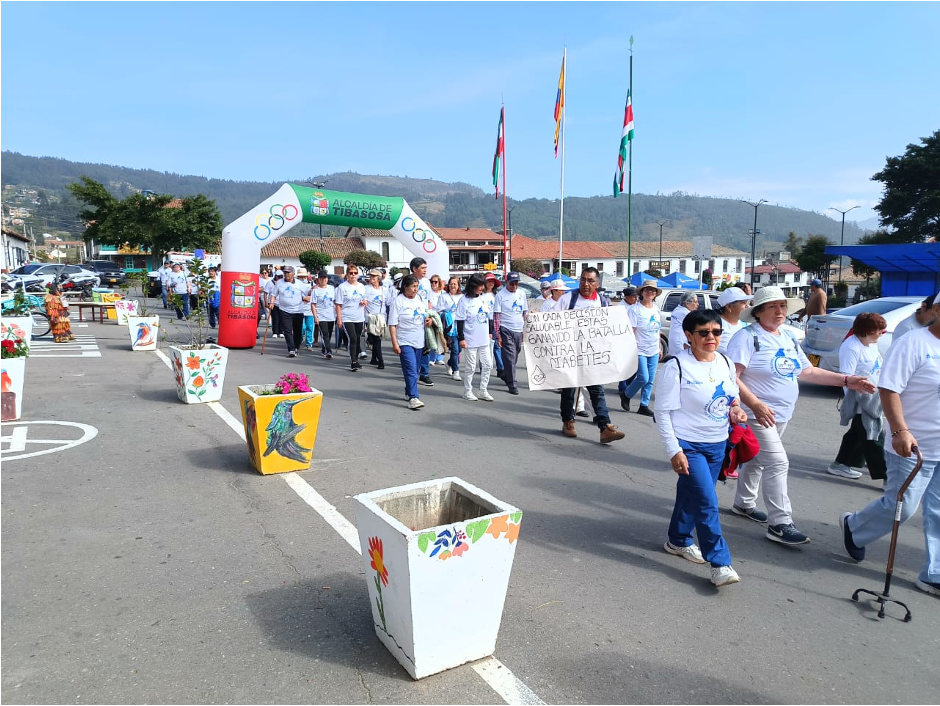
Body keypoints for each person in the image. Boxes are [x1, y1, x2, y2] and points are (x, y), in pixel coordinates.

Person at [726, 286, 876, 546]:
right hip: (754, 414)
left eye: (782, 306)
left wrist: (847, 380)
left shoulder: (786, 337)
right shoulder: (747, 338)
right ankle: (780, 523)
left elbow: (807, 373)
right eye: (772, 307)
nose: (779, 311)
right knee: (778, 462)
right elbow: (731, 377)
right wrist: (754, 403)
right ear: (759, 312)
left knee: (759, 460)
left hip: (780, 414)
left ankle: (744, 503)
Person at [839, 291, 939, 596]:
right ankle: (854, 527)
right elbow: (889, 388)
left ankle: (934, 572)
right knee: (903, 507)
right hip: (913, 444)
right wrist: (899, 431)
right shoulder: (914, 343)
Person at [654, 309, 748, 587]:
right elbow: (662, 413)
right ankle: (720, 563)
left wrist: (736, 411)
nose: (711, 337)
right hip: (688, 444)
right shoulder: (676, 366)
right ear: (688, 335)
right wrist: (675, 450)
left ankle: (677, 540)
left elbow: (732, 397)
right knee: (707, 503)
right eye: (703, 332)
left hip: (718, 443)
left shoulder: (725, 362)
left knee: (691, 495)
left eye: (716, 332)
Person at [552, 267, 626, 444]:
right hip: (570, 351)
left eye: (590, 281)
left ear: (597, 284)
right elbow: (551, 320)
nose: (586, 284)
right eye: (583, 279)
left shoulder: (603, 302)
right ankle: (568, 421)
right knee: (569, 389)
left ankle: (604, 427)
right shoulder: (568, 299)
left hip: (593, 354)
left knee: (597, 390)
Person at [828, 312, 888, 480]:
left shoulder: (871, 344)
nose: (881, 333)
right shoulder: (851, 347)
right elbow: (847, 376)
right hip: (862, 398)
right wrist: (853, 403)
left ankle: (841, 464)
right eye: (878, 330)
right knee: (873, 434)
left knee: (857, 433)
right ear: (866, 331)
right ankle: (887, 476)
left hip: (874, 396)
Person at [388, 274, 432, 410]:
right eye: (413, 287)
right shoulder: (398, 301)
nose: (415, 289)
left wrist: (429, 320)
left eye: (417, 286)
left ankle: (408, 391)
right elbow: (392, 324)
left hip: (419, 340)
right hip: (404, 341)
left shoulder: (419, 299)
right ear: (405, 287)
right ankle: (414, 397)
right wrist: (395, 343)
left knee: (416, 369)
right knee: (411, 368)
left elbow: (425, 314)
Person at [620, 279, 662, 416]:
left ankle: (644, 405)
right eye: (647, 290)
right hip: (640, 349)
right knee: (643, 377)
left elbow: (658, 330)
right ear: (642, 292)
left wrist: (660, 346)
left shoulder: (656, 309)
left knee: (650, 380)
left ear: (655, 294)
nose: (650, 292)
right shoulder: (635, 309)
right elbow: (631, 330)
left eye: (653, 290)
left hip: (654, 349)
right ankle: (627, 394)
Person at [456, 273, 495, 402]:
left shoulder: (484, 298)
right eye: (479, 285)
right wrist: (461, 338)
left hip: (484, 338)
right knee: (471, 367)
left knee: (488, 364)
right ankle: (467, 391)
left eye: (482, 285)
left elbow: (489, 316)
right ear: (472, 286)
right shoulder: (464, 300)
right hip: (470, 338)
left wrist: (490, 331)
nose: (481, 288)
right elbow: (460, 321)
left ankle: (483, 390)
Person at [495, 272, 528, 395]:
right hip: (506, 328)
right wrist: (498, 335)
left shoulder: (522, 294)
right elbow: (497, 316)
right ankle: (512, 384)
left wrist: (526, 326)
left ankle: (507, 373)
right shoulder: (500, 295)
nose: (514, 286)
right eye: (511, 283)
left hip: (518, 329)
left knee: (515, 355)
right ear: (506, 283)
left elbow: (524, 312)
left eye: (516, 283)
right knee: (510, 357)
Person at [268, 265, 310, 358]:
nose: (286, 274)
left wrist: (313, 290)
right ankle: (291, 349)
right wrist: (271, 302)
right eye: (285, 272)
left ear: (293, 274)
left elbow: (308, 293)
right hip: (284, 310)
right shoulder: (279, 283)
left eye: (288, 272)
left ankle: (296, 345)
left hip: (298, 310)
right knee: (287, 330)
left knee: (298, 332)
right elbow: (274, 294)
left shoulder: (299, 283)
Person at [334, 265, 367, 372]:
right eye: (351, 273)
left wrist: (364, 302)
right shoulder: (342, 287)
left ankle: (356, 359)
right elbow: (338, 304)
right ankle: (353, 361)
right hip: (347, 317)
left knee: (357, 339)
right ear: (347, 275)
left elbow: (364, 299)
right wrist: (339, 319)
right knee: (352, 338)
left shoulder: (361, 286)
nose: (353, 275)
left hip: (359, 317)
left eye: (355, 273)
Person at [409, 257, 435, 386]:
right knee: (414, 348)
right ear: (414, 269)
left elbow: (428, 301)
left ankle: (424, 374)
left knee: (426, 347)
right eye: (422, 268)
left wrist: (431, 316)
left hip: (424, 319)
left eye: (426, 268)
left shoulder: (426, 283)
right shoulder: (407, 282)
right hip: (411, 320)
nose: (425, 270)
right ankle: (413, 372)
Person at [437, 275, 463, 380]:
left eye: (455, 284)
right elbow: (439, 311)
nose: (453, 286)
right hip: (450, 327)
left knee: (460, 349)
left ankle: (449, 363)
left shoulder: (463, 297)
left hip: (461, 326)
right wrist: (446, 314)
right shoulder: (444, 296)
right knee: (455, 350)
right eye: (451, 284)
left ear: (458, 285)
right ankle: (456, 371)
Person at [716, 287, 753, 355]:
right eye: (743, 303)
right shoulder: (716, 325)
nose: (747, 306)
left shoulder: (746, 323)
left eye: (747, 302)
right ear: (729, 307)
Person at [364, 269, 386, 369]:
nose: (372, 278)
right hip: (370, 318)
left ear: (379, 278)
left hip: (380, 317)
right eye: (371, 276)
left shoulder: (383, 289)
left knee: (377, 339)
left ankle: (374, 359)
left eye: (374, 276)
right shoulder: (366, 288)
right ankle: (381, 361)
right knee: (376, 340)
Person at [310, 270, 336, 359]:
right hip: (321, 315)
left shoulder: (332, 288)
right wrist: (315, 317)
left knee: (328, 334)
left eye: (324, 278)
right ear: (318, 279)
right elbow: (313, 304)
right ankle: (329, 351)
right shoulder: (315, 290)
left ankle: (324, 349)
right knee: (324, 333)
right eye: (321, 278)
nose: (323, 280)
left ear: (327, 279)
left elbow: (335, 302)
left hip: (331, 315)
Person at [484, 273, 505, 379]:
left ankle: (500, 368)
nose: (490, 283)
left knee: (497, 346)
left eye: (492, 281)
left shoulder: (497, 296)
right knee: (484, 346)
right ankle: (484, 364)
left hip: (495, 322)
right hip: (484, 322)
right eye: (488, 281)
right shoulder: (480, 295)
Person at [667, 292, 698, 357]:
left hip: (676, 340)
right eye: (695, 302)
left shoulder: (677, 309)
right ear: (687, 303)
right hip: (680, 342)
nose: (697, 304)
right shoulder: (685, 313)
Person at [427, 275, 446, 366]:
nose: (433, 284)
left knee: (441, 337)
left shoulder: (444, 293)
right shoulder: (429, 293)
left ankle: (440, 357)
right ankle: (432, 357)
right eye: (432, 282)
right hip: (432, 317)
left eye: (435, 282)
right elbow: (429, 305)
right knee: (432, 337)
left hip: (441, 317)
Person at [265, 270, 284, 338]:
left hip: (282, 303)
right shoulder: (270, 283)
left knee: (282, 318)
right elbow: (265, 293)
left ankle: (281, 331)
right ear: (275, 276)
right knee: (275, 318)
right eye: (279, 276)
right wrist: (266, 302)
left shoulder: (283, 283)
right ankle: (275, 332)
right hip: (274, 303)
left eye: (281, 276)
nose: (280, 278)